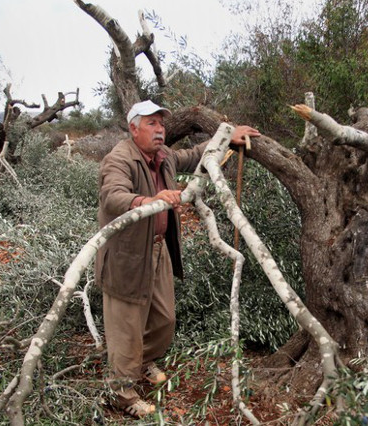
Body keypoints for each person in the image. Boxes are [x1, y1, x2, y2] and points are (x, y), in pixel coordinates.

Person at [96, 100, 260, 417]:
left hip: (158, 249)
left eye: (161, 124)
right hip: (126, 257)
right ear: (133, 128)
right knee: (126, 327)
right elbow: (112, 195)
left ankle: (142, 362)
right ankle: (121, 393)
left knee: (164, 319)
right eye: (152, 124)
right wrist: (148, 200)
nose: (160, 130)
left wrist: (228, 136)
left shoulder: (164, 156)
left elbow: (193, 155)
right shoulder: (119, 159)